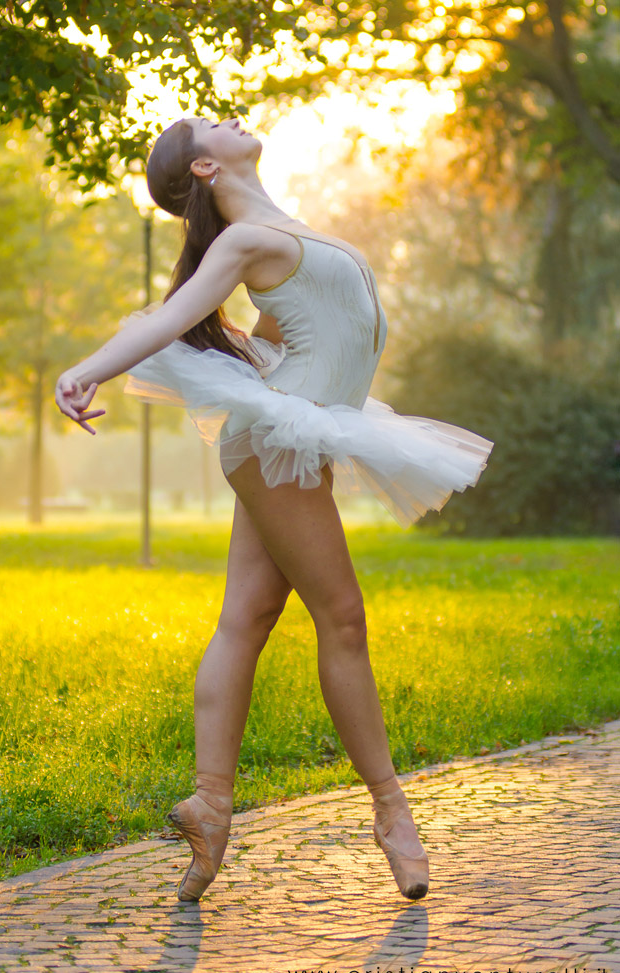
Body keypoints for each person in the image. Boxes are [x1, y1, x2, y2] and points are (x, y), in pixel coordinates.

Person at [55, 116, 494, 904]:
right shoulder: (241, 241)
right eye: (210, 124)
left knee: (246, 619)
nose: (231, 118)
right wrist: (84, 371)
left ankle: (210, 804)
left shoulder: (277, 231)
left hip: (287, 434)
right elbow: (167, 319)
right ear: (206, 166)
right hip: (278, 444)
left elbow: (285, 332)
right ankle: (392, 811)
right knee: (344, 615)